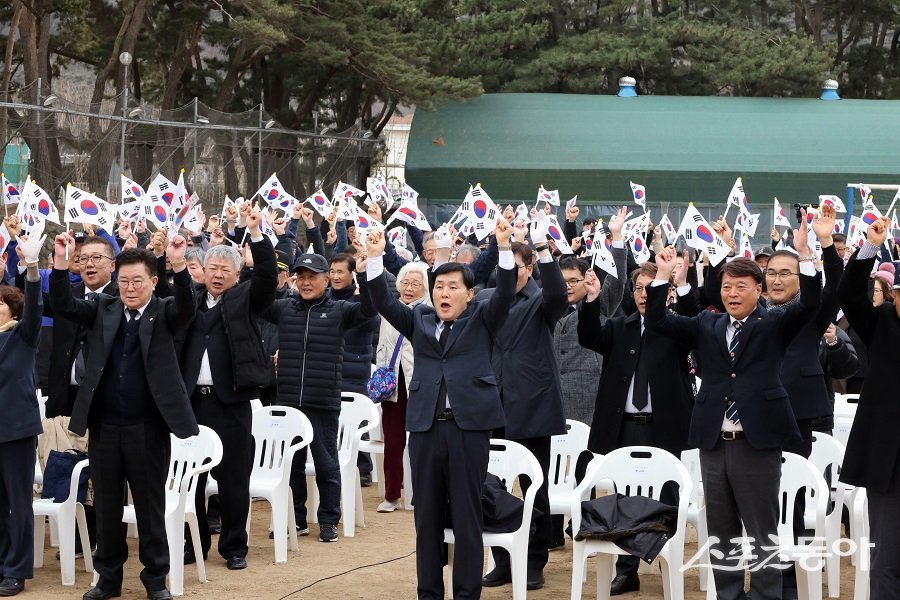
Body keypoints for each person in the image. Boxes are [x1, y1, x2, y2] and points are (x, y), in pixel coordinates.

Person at [645, 240, 822, 600]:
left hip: (757, 444)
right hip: (714, 443)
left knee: (761, 533)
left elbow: (810, 304)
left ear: (759, 290)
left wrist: (804, 254)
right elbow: (658, 319)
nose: (733, 293)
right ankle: (728, 595)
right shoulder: (706, 323)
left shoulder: (774, 323)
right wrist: (662, 275)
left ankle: (764, 596)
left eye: (742, 286)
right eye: (727, 286)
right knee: (720, 532)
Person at [364, 220, 516, 600]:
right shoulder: (418, 318)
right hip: (426, 428)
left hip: (469, 429)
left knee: (468, 517)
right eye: (439, 287)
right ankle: (429, 593)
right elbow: (382, 301)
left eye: (453, 287)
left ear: (469, 294)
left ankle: (466, 594)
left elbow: (504, 295)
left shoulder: (483, 319)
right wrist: (372, 256)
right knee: (426, 518)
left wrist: (503, 246)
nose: (444, 293)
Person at [50, 234, 199, 600]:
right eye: (124, 281)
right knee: (106, 504)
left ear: (152, 281)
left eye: (137, 281)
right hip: (105, 427)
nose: (130, 288)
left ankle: (154, 580)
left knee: (150, 508)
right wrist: (57, 262)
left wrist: (178, 266)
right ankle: (108, 579)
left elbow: (186, 308)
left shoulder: (163, 311)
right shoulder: (104, 308)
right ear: (116, 279)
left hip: (147, 428)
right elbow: (64, 305)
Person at [578, 256, 696, 595]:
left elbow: (693, 320)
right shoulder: (619, 326)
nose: (644, 295)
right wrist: (591, 299)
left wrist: (684, 284)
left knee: (667, 496)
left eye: (651, 288)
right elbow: (588, 336)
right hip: (623, 426)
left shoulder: (675, 327)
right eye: (639, 289)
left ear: (665, 291)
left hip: (665, 428)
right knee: (625, 498)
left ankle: (667, 558)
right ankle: (626, 569)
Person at [179, 204, 277, 570]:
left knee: (234, 479)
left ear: (237, 274)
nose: (218, 275)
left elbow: (267, 277)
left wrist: (257, 233)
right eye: (213, 269)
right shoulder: (188, 300)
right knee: (191, 481)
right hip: (193, 403)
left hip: (232, 404)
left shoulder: (245, 299)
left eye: (226, 269)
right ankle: (194, 544)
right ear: (202, 271)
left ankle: (234, 547)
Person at [476, 221, 568, 592]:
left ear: (530, 268)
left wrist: (545, 250)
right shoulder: (486, 300)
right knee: (490, 487)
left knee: (535, 488)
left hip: (533, 407)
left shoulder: (541, 301)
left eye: (518, 265)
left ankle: (533, 561)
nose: (511, 272)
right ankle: (502, 559)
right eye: (506, 265)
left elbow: (559, 296)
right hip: (490, 407)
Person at [261, 252, 376, 543]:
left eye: (313, 276)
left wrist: (364, 274)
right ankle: (297, 519)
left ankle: (328, 519)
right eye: (301, 276)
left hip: (322, 401)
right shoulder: (284, 308)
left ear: (327, 280)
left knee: (326, 464)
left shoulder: (340, 310)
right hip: (288, 401)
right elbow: (255, 302)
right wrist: (257, 266)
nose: (306, 282)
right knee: (293, 465)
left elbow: (370, 309)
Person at [837, 215, 900, 599]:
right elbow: (849, 295)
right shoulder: (882, 325)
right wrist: (870, 248)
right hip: (890, 464)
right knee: (889, 561)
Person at [0, 229, 45, 597]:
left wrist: (31, 266)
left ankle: (16, 570)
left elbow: (35, 307)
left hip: (15, 430)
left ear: (12, 308)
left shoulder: (23, 335)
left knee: (18, 503)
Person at [374, 261, 430, 513]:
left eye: (415, 284)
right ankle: (392, 494)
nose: (409, 288)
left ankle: (422, 493)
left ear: (425, 288)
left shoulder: (430, 310)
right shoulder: (390, 309)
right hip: (392, 384)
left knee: (421, 441)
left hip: (420, 382)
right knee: (393, 440)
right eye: (405, 283)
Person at [328, 252, 380, 487]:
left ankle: (363, 468)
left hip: (355, 371)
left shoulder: (362, 300)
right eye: (332, 271)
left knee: (356, 422)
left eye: (341, 272)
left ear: (352, 274)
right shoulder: (324, 298)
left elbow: (371, 321)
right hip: (330, 370)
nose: (335, 276)